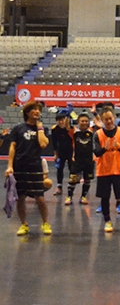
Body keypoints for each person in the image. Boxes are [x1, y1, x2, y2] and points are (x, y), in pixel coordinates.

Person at [5, 101, 52, 236]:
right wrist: (9, 166)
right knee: (21, 197)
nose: (37, 111)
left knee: (40, 198)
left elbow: (43, 144)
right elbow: (13, 147)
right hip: (19, 166)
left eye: (38, 109)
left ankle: (45, 223)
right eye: (34, 109)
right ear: (27, 112)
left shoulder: (42, 129)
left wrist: (40, 128)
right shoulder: (18, 129)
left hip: (35, 167)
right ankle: (24, 224)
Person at [93, 106, 120, 233]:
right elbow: (96, 152)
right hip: (103, 170)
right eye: (105, 119)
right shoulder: (97, 134)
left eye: (110, 118)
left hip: (118, 170)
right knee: (105, 197)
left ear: (114, 118)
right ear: (101, 120)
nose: (108, 121)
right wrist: (104, 149)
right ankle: (107, 221)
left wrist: (119, 146)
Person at [69, 113, 95, 204]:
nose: (84, 123)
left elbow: (99, 122)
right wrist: (67, 114)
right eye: (82, 121)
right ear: (78, 122)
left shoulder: (91, 131)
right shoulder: (74, 131)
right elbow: (65, 126)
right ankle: (69, 197)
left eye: (86, 121)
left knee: (87, 179)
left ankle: (83, 197)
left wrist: (94, 113)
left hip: (89, 160)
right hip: (77, 160)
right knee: (73, 179)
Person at [51, 111, 75, 198]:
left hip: (70, 152)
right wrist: (55, 154)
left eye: (62, 120)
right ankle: (59, 186)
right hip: (61, 152)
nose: (61, 122)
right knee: (59, 169)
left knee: (71, 169)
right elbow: (54, 143)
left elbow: (73, 140)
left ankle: (71, 186)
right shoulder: (54, 129)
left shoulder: (70, 129)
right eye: (59, 120)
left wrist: (74, 154)